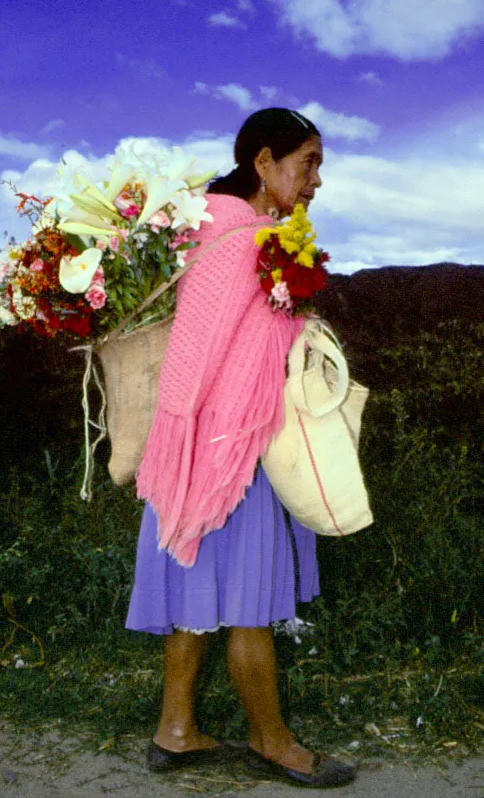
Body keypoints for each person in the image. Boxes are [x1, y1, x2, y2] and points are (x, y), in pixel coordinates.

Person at [126, 108, 356, 788]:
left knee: (196, 594)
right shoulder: (247, 243)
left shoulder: (211, 235)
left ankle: (175, 732)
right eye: (307, 162)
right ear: (264, 162)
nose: (316, 180)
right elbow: (244, 358)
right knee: (250, 604)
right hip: (235, 455)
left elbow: (202, 360)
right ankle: (272, 741)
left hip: (191, 451)